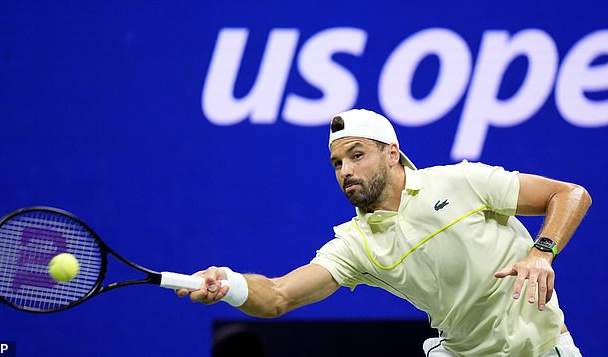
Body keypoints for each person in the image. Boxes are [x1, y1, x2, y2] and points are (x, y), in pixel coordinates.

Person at [177, 109, 592, 356]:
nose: (346, 172)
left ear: (392, 153)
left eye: (356, 155)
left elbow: (571, 195)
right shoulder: (355, 245)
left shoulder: (461, 181)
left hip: (547, 349)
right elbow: (279, 295)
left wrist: (541, 253)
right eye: (337, 164)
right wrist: (229, 285)